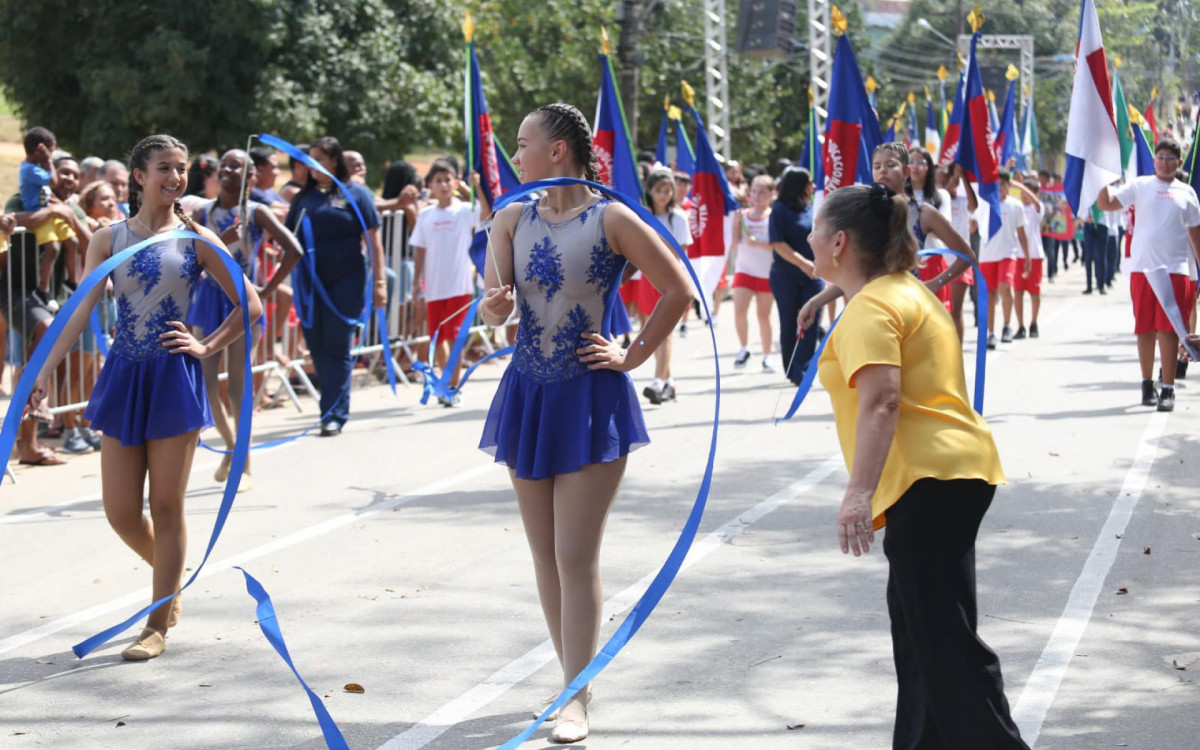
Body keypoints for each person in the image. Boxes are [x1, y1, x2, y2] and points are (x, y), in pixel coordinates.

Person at [478, 102, 690, 744]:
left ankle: (576, 695)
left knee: (575, 552)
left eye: (523, 143)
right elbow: (494, 312)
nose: (515, 156)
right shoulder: (509, 217)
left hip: (590, 395)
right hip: (528, 391)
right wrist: (492, 306)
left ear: (559, 150)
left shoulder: (614, 218)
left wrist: (632, 357)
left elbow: (676, 288)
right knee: (545, 554)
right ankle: (573, 678)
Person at [808, 181, 1030, 750]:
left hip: (929, 480)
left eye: (814, 229)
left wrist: (857, 495)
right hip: (950, 474)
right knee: (918, 636)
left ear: (838, 242)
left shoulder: (874, 306)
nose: (806, 237)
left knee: (944, 643)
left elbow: (883, 400)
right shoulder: (901, 290)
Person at [27, 134, 263, 660]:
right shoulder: (107, 239)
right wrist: (42, 371)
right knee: (120, 512)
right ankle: (171, 583)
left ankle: (156, 623)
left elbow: (250, 305)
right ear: (138, 176)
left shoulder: (198, 237)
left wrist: (206, 345)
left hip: (173, 378)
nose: (175, 177)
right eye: (164, 168)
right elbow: (80, 311)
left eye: (180, 168)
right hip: (124, 374)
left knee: (166, 503)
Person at [189, 149, 302, 481]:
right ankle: (232, 446)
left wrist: (266, 291)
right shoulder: (203, 212)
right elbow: (191, 259)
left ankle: (244, 461)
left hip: (241, 297)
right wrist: (220, 242)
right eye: (224, 164)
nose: (226, 169)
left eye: (236, 166)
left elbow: (293, 250)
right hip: (209, 297)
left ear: (250, 177)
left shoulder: (256, 212)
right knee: (206, 382)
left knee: (238, 384)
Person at [283, 136, 387, 435]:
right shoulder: (304, 198)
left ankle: (335, 413)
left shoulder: (356, 193)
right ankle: (327, 406)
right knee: (316, 346)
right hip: (310, 283)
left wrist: (379, 283)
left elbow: (375, 241)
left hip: (347, 280)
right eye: (309, 159)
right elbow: (287, 237)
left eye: (320, 158)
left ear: (334, 161)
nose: (313, 165)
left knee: (337, 345)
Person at [1095, 136, 1200, 411]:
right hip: (1143, 270)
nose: (1165, 163)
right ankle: (1146, 384)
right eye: (1161, 157)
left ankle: (1167, 388)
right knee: (1144, 328)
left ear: (1178, 162)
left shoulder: (1186, 193)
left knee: (1168, 330)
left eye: (1170, 158)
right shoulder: (1140, 185)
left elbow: (1196, 238)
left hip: (1175, 271)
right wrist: (1098, 175)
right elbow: (1106, 204)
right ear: (1154, 160)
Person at [410, 159, 477, 406]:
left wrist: (471, 187)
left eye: (448, 179)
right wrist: (417, 281)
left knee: (455, 336)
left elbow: (486, 211)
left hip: (459, 284)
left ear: (455, 182)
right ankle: (445, 382)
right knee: (438, 337)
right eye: (438, 180)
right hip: (434, 286)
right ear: (431, 185)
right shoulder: (426, 215)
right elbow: (419, 250)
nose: (444, 184)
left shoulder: (465, 210)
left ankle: (453, 385)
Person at [621, 167, 690, 403]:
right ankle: (668, 382)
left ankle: (658, 382)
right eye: (659, 190)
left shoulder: (678, 218)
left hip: (671, 282)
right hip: (645, 279)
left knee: (665, 334)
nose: (664, 195)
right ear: (649, 191)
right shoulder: (641, 216)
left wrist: (653, 238)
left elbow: (679, 252)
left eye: (668, 190)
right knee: (650, 333)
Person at [767, 167, 821, 384]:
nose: (813, 186)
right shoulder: (779, 210)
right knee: (789, 323)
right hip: (785, 276)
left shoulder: (810, 208)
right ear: (799, 185)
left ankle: (805, 368)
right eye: (809, 182)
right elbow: (778, 244)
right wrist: (803, 263)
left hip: (813, 276)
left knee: (812, 319)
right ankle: (792, 369)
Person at [20, 127, 80, 307]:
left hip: (50, 212)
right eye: (50, 152)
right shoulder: (30, 169)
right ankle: (43, 289)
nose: (51, 157)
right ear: (40, 149)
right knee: (53, 248)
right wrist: (48, 161)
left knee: (73, 242)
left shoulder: (34, 169)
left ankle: (71, 281)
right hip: (40, 214)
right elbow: (53, 181)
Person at [978, 171, 1032, 349]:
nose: (998, 189)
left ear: (1008, 185)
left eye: (1001, 185)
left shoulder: (1015, 206)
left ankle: (1007, 326)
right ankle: (991, 333)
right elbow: (973, 223)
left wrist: (1028, 257)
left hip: (1008, 253)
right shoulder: (985, 204)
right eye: (995, 185)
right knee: (990, 295)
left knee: (1005, 287)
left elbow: (1022, 234)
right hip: (987, 256)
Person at [731, 174, 776, 371]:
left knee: (763, 315)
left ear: (771, 194)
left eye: (762, 192)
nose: (757, 196)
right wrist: (736, 222)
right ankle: (744, 349)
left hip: (766, 273)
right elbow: (733, 243)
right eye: (754, 191)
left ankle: (767, 356)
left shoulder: (773, 216)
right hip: (744, 270)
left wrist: (760, 244)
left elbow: (778, 247)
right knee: (739, 311)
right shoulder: (743, 215)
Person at [1013, 179, 1045, 339]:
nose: (1024, 195)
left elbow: (1037, 203)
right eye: (1022, 192)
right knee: (1017, 292)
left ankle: (1034, 323)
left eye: (1028, 192)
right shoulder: (1016, 208)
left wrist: (1020, 185)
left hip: (1035, 256)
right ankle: (1020, 326)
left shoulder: (1036, 209)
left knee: (1034, 292)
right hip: (1017, 256)